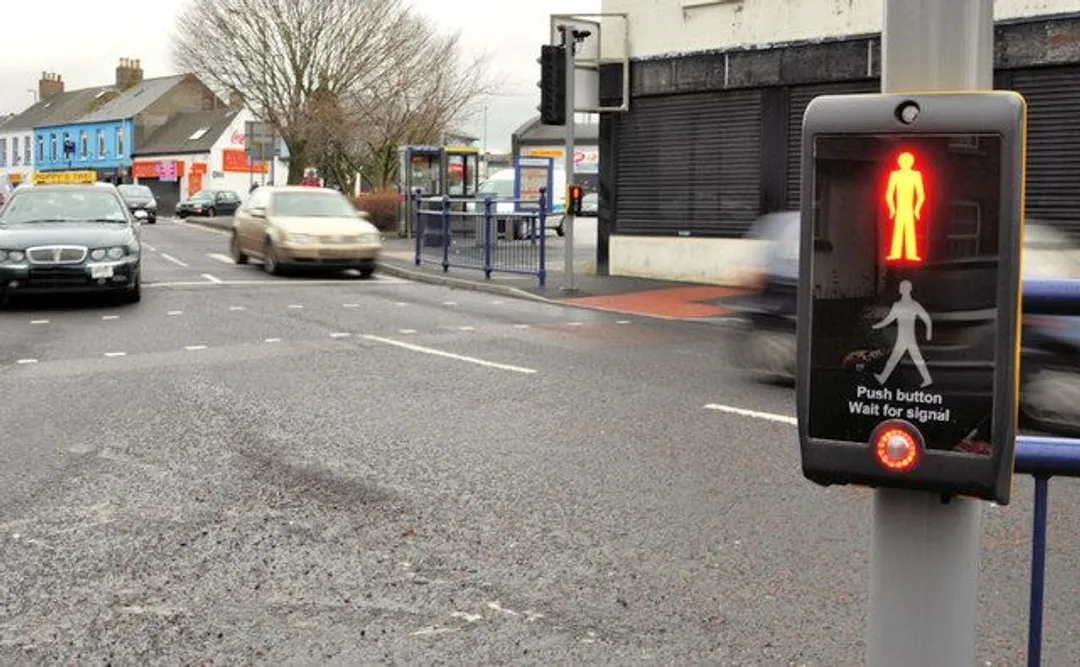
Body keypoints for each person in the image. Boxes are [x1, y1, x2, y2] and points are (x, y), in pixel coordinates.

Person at [872, 280, 933, 388]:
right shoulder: (899, 305)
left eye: (902, 287)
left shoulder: (913, 305)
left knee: (906, 359)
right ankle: (883, 378)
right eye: (900, 287)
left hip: (908, 337)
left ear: (907, 289)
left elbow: (926, 319)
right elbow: (889, 319)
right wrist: (877, 326)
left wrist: (928, 333)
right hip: (903, 337)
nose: (900, 289)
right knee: (897, 359)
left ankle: (883, 378)